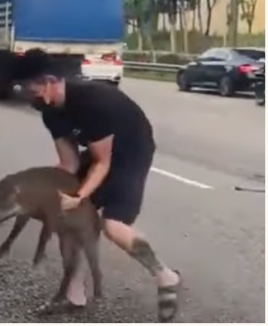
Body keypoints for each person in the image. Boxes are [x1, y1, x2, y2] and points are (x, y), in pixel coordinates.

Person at [17, 49, 182, 322]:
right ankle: (74, 296)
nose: (25, 92)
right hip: (99, 156)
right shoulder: (49, 112)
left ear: (48, 81)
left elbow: (103, 163)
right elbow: (68, 164)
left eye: (28, 86)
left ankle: (166, 276)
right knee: (66, 215)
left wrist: (80, 195)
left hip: (131, 151)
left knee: (113, 226)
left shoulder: (93, 102)